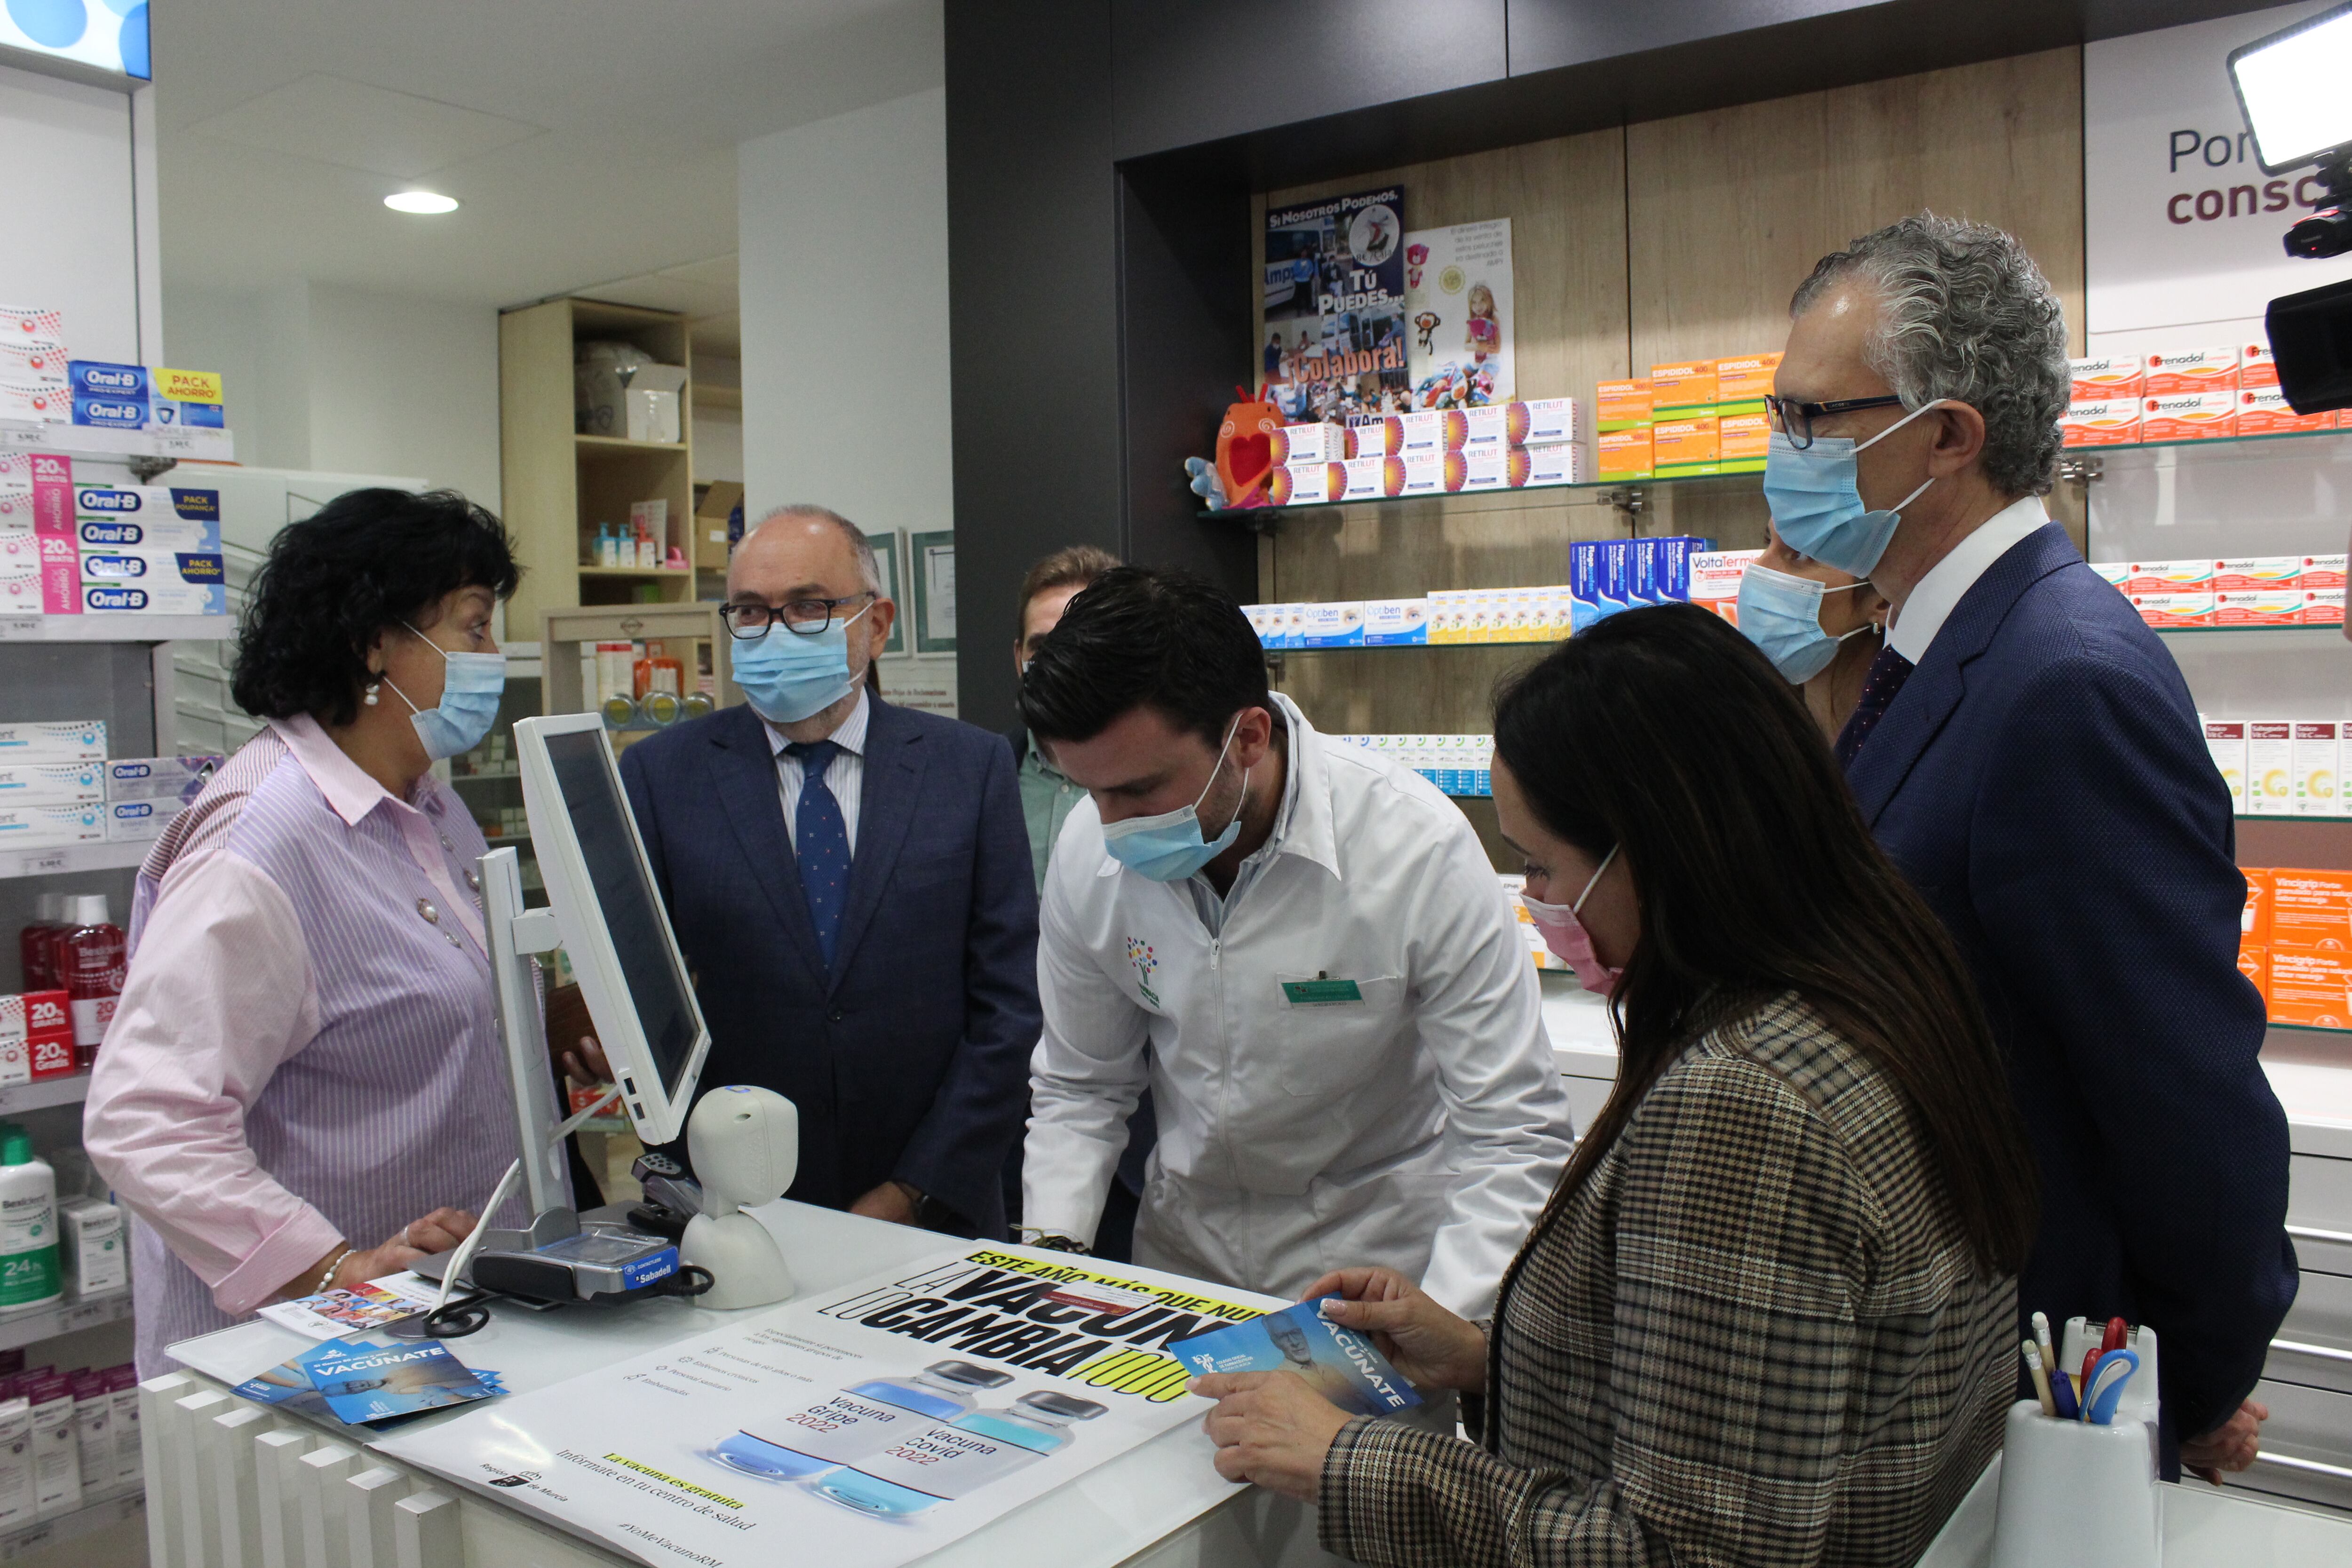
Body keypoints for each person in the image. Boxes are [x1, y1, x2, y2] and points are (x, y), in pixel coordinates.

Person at [1195, 603, 2036, 1568]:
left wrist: (1347, 1457)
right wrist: (1490, 1356)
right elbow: (1768, 1399)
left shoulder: (1743, 1106)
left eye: (1542, 864)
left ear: (1656, 846)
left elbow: (1691, 1553)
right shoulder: (1883, 982)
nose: (1538, 900)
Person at [1766, 213, 2294, 1480]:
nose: (1779, 458)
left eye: (1810, 423)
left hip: (2034, 1388)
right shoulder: (1929, 646)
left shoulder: (2064, 680)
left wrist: (2181, 1386)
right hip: (1936, 1358)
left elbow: (2182, 1096)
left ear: (1947, 435)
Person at [1017, 566, 1571, 1316]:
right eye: (1090, 789)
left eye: (1141, 791)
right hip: (1184, 1267)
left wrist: (1439, 1325)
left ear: (1248, 736)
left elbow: (1512, 1131)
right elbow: (1082, 1087)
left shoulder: (1413, 845)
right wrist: (1054, 1258)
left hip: (1374, 1273)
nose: (1112, 826)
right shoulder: (1091, 851)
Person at [84, 489, 534, 1373]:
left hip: (431, 1320)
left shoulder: (427, 809)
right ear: (376, 642)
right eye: (475, 627)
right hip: (300, 1360)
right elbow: (148, 1120)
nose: (496, 656)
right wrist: (330, 1268)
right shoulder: (263, 840)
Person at [620, 505, 1039, 1238]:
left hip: (934, 1206)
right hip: (740, 1209)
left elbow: (1008, 1006)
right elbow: (641, 998)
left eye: (809, 607)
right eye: (751, 612)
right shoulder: (662, 775)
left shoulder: (969, 769)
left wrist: (916, 1188)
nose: (776, 632)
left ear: (876, 625)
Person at [1001, 544, 1157, 1260]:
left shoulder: (1179, 784)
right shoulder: (984, 780)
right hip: (1018, 1117)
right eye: (1042, 648)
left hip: (1153, 1120)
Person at [1736, 523, 1891, 741]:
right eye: (1768, 542)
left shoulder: (1909, 735)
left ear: (1882, 598)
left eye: (1801, 554)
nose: (1758, 569)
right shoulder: (1749, 732)